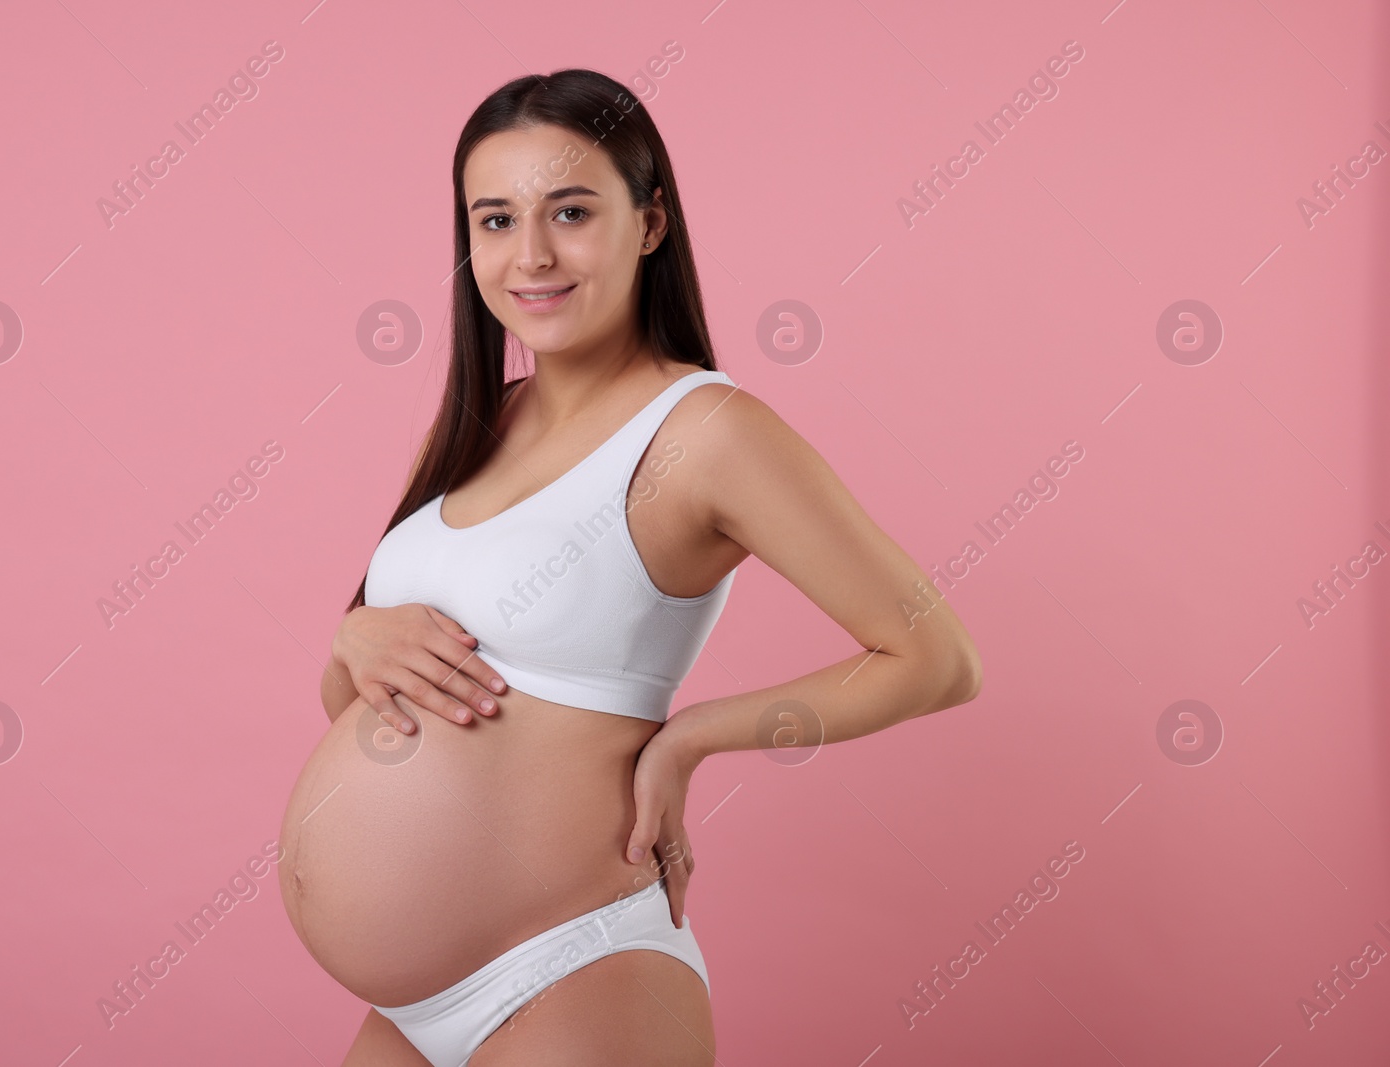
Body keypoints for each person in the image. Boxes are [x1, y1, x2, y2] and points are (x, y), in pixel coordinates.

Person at [277, 68, 982, 1067]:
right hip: (407, 1013)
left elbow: (936, 657)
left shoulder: (705, 432)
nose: (529, 255)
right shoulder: (485, 419)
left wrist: (689, 737)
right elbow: (348, 698)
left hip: (571, 973)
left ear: (649, 223)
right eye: (494, 219)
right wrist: (355, 634)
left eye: (570, 211)